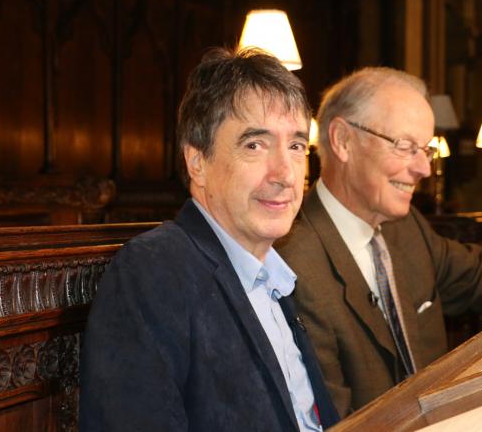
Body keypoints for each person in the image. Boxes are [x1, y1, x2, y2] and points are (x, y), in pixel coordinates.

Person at [275, 67, 482, 417]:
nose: (424, 168)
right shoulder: (294, 266)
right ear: (343, 140)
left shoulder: (406, 228)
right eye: (405, 146)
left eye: (426, 150)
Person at [80, 48, 339, 431]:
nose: (285, 173)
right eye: (255, 145)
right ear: (197, 162)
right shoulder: (152, 273)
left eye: (297, 146)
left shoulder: (274, 276)